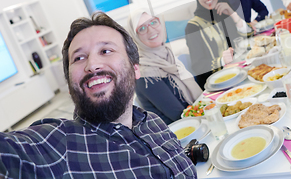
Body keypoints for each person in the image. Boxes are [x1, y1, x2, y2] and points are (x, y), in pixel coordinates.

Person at [0, 12, 197, 178]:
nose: (92, 65)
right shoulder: (60, 145)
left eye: (105, 50)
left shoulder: (152, 122)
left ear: (135, 69)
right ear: (70, 86)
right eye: (79, 58)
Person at [127, 10, 202, 124]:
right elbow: (178, 115)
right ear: (135, 37)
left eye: (153, 22)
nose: (151, 30)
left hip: (196, 118)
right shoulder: (145, 74)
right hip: (182, 132)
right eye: (142, 28)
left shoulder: (167, 54)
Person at [185, 0, 252, 88]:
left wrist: (232, 14)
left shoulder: (223, 13)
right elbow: (198, 66)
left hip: (239, 73)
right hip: (217, 85)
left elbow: (248, 38)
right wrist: (222, 61)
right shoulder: (193, 27)